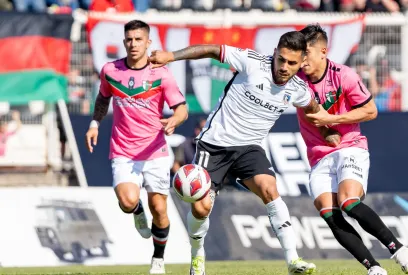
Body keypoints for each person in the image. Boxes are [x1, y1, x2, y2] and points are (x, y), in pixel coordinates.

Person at [149, 31, 318, 275]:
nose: (284, 67)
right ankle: (197, 256)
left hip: (250, 148)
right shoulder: (251, 63)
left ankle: (293, 260)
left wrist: (331, 130)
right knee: (201, 208)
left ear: (302, 62)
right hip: (214, 145)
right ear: (275, 53)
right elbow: (211, 50)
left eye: (292, 63)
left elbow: (314, 109)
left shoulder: (299, 90)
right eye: (281, 59)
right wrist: (171, 56)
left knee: (270, 189)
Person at [297, 24, 408, 275]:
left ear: (323, 51)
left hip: (349, 147)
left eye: (306, 53)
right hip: (319, 157)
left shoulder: (344, 75)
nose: (302, 59)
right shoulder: (296, 80)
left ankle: (396, 248)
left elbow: (370, 111)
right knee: (330, 215)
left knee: (349, 202)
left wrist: (331, 120)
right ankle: (373, 268)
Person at [85, 20, 188, 274]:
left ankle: (158, 258)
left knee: (160, 209)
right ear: (123, 42)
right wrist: (95, 124)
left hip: (155, 151)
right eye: (129, 39)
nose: (133, 44)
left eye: (138, 39)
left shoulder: (161, 73)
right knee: (128, 201)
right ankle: (136, 210)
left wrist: (175, 119)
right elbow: (103, 97)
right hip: (124, 150)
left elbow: (181, 108)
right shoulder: (110, 70)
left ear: (148, 42)